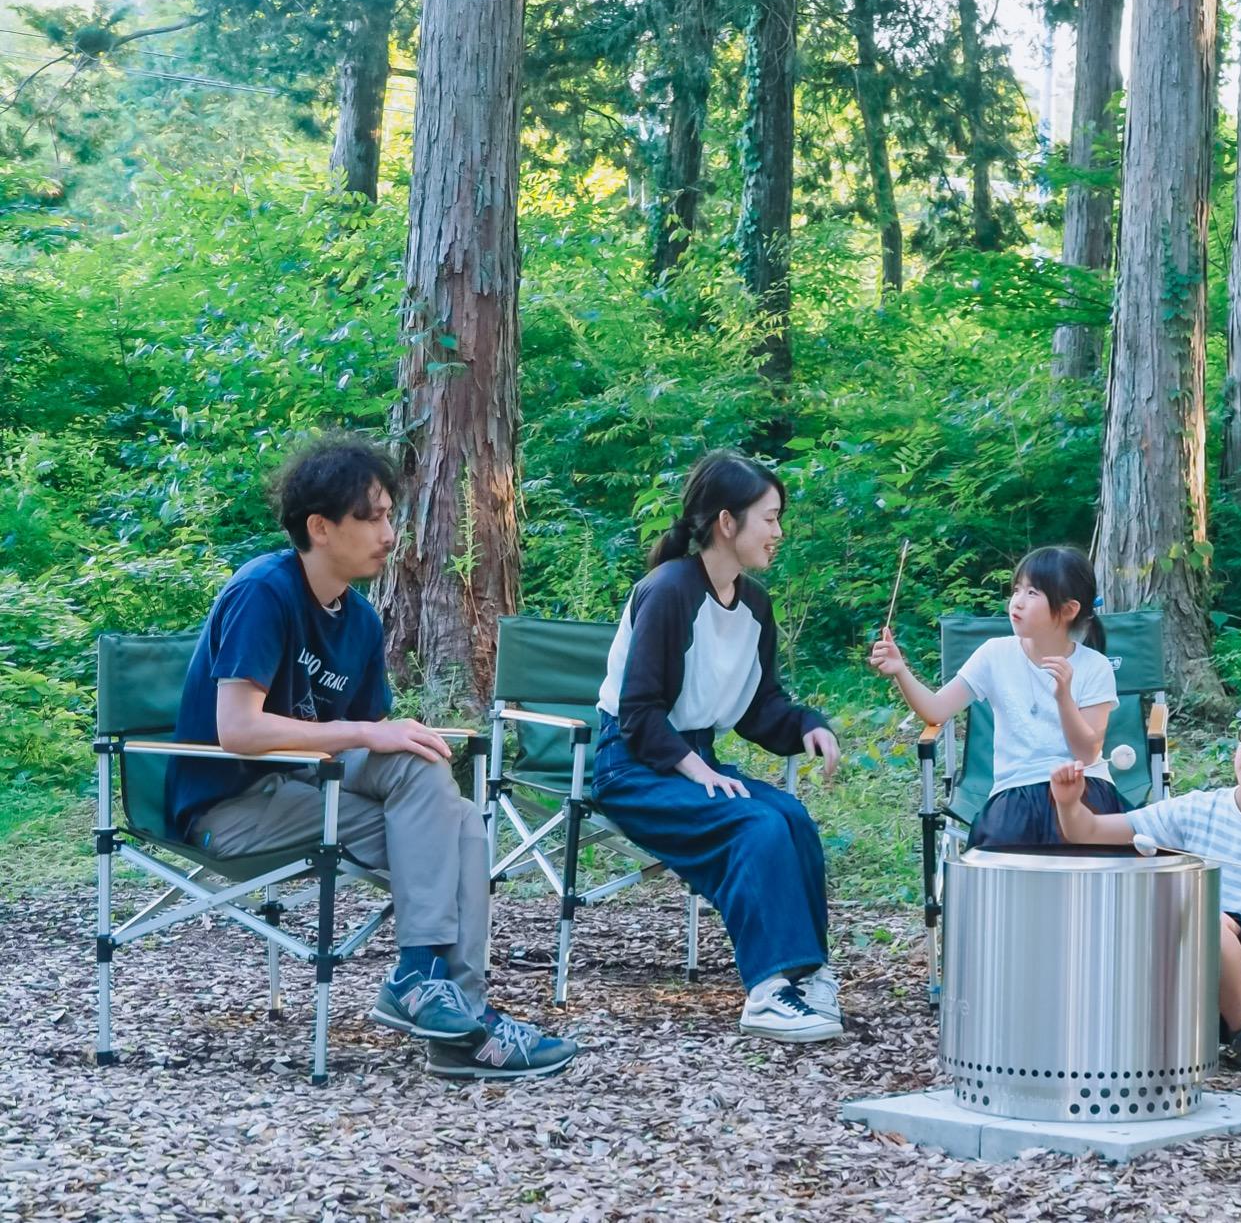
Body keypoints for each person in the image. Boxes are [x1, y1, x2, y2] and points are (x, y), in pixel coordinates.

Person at [171, 436, 578, 1079]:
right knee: (443, 815)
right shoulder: (263, 593)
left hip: (312, 790)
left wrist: (383, 733)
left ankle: (434, 993)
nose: (390, 532)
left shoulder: (360, 619)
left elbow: (364, 737)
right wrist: (366, 734)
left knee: (455, 814)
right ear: (320, 528)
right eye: (373, 517)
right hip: (233, 805)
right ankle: (458, 1023)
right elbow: (238, 731)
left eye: (391, 515)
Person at [588, 450, 845, 1043]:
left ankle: (806, 976)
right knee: (754, 824)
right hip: (632, 767)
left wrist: (807, 723)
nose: (779, 533)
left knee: (792, 817)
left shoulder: (754, 605)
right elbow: (638, 714)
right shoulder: (668, 591)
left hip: (688, 760)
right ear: (727, 522)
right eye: (770, 518)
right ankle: (766, 992)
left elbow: (760, 708)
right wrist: (698, 768)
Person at [1051, 677, 1241, 1069]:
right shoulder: (1198, 810)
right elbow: (1088, 831)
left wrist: (1231, 926)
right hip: (1192, 972)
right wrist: (1069, 804)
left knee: (1205, 919)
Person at [867, 545, 1121, 848]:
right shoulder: (994, 654)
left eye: (1033, 593)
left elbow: (1087, 754)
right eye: (1017, 589)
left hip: (1084, 788)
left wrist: (1064, 697)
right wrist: (900, 670)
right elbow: (936, 711)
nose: (1017, 602)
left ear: (1069, 609)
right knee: (1003, 856)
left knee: (1090, 856)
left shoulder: (1094, 666)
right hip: (1016, 792)